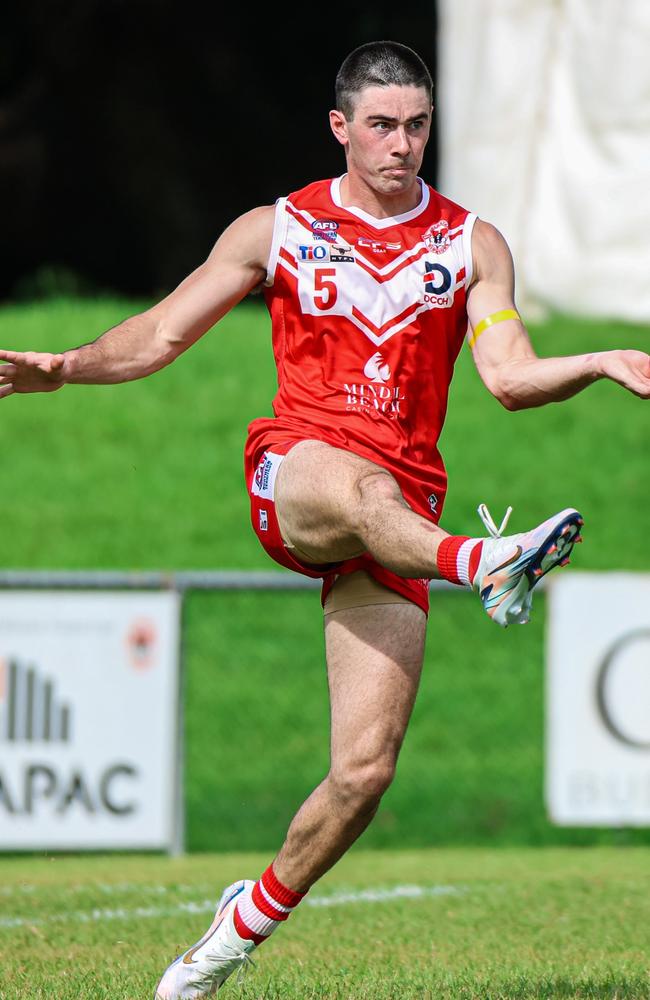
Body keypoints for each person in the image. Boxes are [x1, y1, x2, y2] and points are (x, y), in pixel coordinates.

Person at [1, 40, 648, 1000]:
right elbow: (164, 333)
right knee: (357, 491)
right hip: (297, 476)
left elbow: (507, 377)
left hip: (404, 516)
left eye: (418, 124)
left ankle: (229, 935)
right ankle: (485, 564)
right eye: (382, 125)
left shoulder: (471, 244)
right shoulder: (279, 229)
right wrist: (66, 366)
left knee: (363, 774)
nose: (403, 144)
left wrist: (595, 362)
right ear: (341, 127)